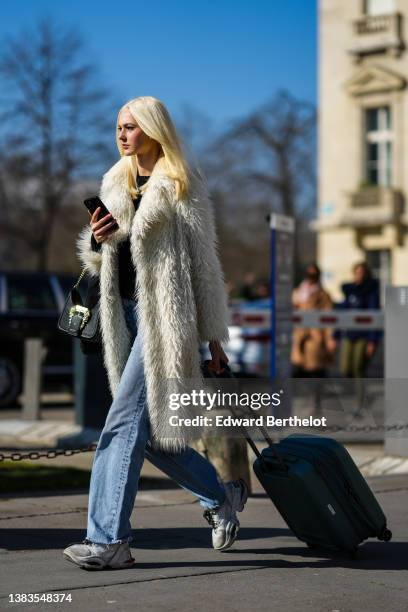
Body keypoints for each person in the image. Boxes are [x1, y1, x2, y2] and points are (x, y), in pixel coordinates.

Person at [63, 96, 248, 570]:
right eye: (118, 127)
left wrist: (213, 338)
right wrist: (98, 240)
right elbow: (101, 258)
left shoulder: (181, 181)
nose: (122, 135)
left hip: (165, 316)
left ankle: (108, 541)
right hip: (120, 313)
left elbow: (205, 265)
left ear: (152, 129)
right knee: (146, 434)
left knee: (120, 422)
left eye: (130, 127)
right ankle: (221, 494)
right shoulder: (114, 180)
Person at [291, 264, 336, 414]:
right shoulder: (298, 292)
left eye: (314, 275)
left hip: (316, 337)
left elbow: (329, 318)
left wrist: (330, 338)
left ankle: (316, 404)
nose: (311, 278)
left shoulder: (323, 294)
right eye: (309, 275)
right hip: (300, 336)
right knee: (299, 370)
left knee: (316, 371)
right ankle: (305, 402)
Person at [336, 261, 381, 415]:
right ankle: (352, 396)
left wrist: (373, 341)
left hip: (364, 336)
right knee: (344, 368)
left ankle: (359, 402)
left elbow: (375, 317)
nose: (359, 275)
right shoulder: (350, 292)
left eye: (362, 272)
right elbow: (341, 314)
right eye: (357, 272)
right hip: (349, 334)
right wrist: (335, 335)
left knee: (358, 368)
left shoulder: (371, 292)